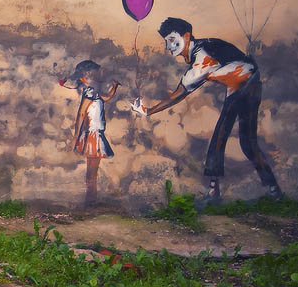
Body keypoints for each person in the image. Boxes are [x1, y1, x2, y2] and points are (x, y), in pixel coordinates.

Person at [129, 17, 283, 204]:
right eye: (166, 42)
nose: (168, 47)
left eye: (171, 40)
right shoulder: (202, 50)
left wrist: (148, 111)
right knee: (246, 142)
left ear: (186, 36)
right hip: (247, 81)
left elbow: (180, 93)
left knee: (221, 135)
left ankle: (214, 191)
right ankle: (273, 189)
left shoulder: (202, 56)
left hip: (243, 82)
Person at [59, 60, 120, 205]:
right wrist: (76, 135)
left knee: (93, 169)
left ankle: (91, 198)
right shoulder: (90, 91)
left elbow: (106, 98)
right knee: (92, 170)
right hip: (93, 134)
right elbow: (81, 113)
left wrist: (114, 87)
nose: (96, 76)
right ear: (85, 76)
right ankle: (91, 199)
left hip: (95, 133)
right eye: (93, 73)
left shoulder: (93, 91)